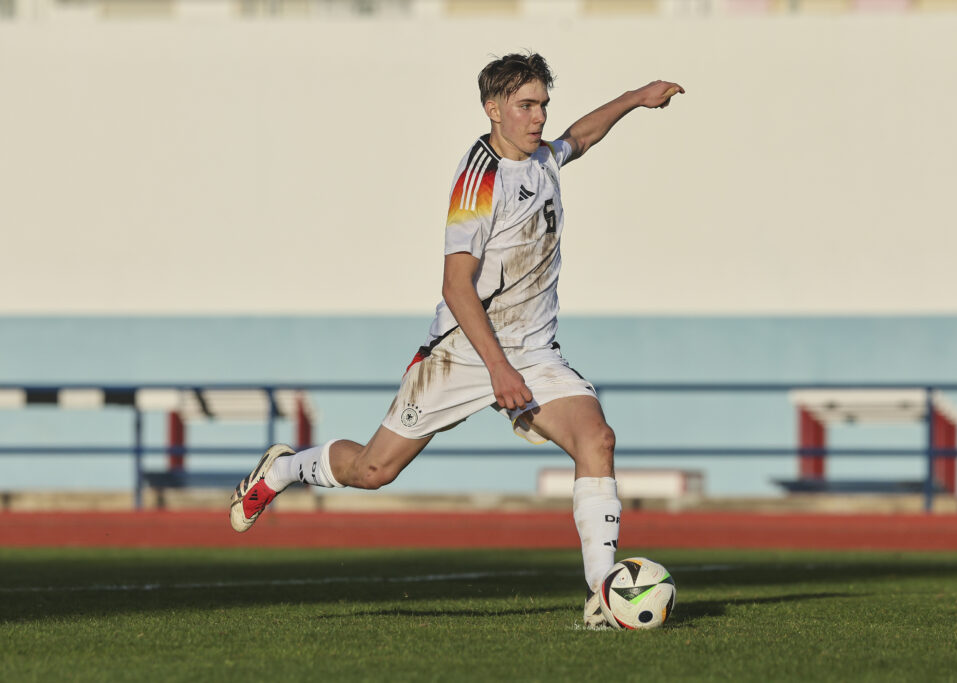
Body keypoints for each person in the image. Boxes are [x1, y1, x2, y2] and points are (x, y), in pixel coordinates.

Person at [230, 52, 683, 628]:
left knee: (598, 439)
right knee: (374, 470)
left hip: (534, 351)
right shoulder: (480, 182)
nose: (539, 117)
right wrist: (498, 370)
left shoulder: (543, 157)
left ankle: (602, 592)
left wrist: (635, 98)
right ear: (493, 110)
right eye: (526, 106)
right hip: (462, 353)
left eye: (543, 104)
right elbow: (456, 284)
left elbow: (582, 138)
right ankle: (283, 470)